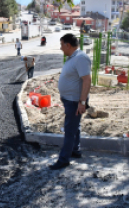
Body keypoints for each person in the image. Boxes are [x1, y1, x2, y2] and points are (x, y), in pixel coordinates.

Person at [49, 33, 92, 170]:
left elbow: (87, 80)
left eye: (62, 45)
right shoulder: (73, 57)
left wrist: (82, 102)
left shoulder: (80, 58)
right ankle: (75, 150)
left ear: (68, 45)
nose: (61, 48)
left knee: (69, 129)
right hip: (70, 100)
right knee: (74, 126)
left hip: (76, 101)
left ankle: (64, 159)